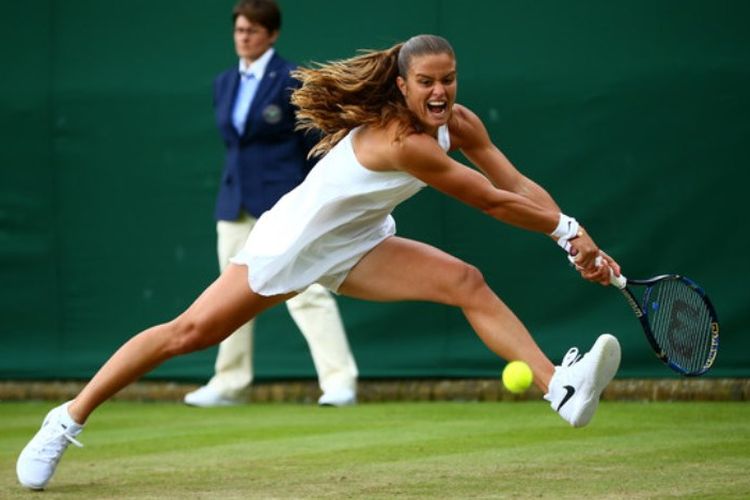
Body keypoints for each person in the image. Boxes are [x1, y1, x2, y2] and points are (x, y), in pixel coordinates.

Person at [17, 34, 623, 491]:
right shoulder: (402, 142)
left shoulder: (458, 124)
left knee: (465, 281)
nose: (441, 92)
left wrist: (572, 237)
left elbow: (514, 181)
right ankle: (66, 418)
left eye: (450, 79)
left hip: (357, 239)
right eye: (427, 83)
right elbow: (491, 201)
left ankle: (559, 388)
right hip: (295, 241)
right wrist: (571, 234)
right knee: (188, 333)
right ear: (402, 86)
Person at [183, 0, 358, 408]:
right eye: (239, 30)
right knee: (226, 297)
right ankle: (229, 382)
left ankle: (339, 382)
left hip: (284, 206)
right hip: (234, 204)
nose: (243, 38)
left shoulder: (292, 80)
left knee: (306, 290)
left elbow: (316, 146)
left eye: (252, 31)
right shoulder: (224, 83)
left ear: (272, 34)